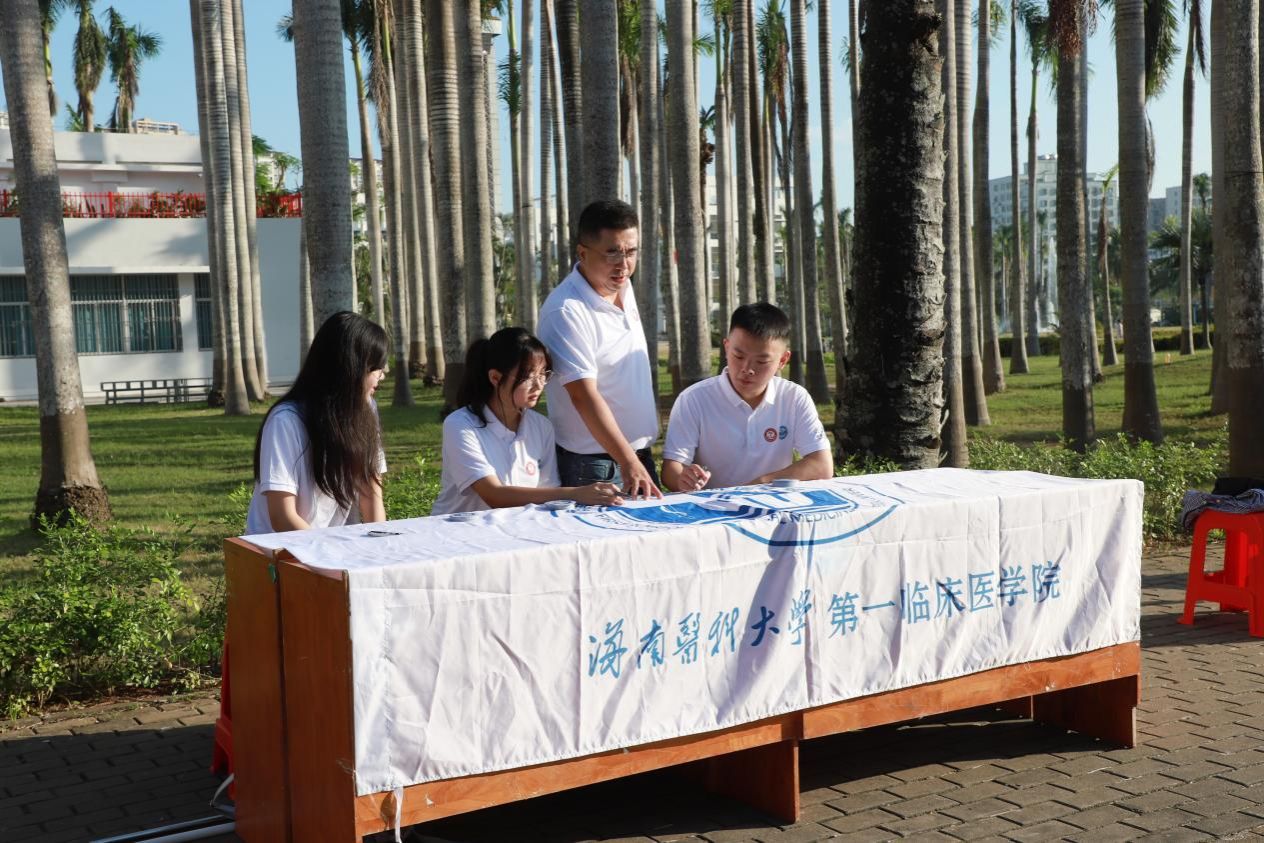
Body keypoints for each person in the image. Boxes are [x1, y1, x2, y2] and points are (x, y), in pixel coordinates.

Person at [536, 199, 662, 498]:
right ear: (582, 253)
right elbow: (583, 396)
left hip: (637, 457)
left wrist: (634, 460)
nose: (624, 264)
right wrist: (628, 461)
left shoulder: (622, 286)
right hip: (595, 465)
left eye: (631, 252)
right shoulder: (566, 310)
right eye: (612, 252)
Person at [431, 327, 626, 515]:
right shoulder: (461, 425)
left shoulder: (541, 426)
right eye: (528, 376)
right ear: (495, 377)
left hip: (516, 528)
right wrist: (576, 493)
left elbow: (548, 492)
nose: (539, 384)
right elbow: (493, 494)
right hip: (459, 530)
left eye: (543, 374)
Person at [661, 302, 833, 492]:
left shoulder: (794, 397)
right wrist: (682, 480)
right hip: (712, 505)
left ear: (783, 360)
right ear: (726, 348)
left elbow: (821, 465)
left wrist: (760, 484)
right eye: (738, 356)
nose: (747, 369)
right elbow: (671, 470)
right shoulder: (694, 399)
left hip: (774, 503)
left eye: (762, 361)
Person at [246, 311, 388, 534]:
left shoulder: (366, 409)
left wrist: (380, 542)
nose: (382, 376)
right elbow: (282, 517)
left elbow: (371, 494)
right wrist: (328, 550)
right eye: (375, 368)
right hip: (280, 548)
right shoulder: (286, 421)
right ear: (349, 369)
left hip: (332, 546)